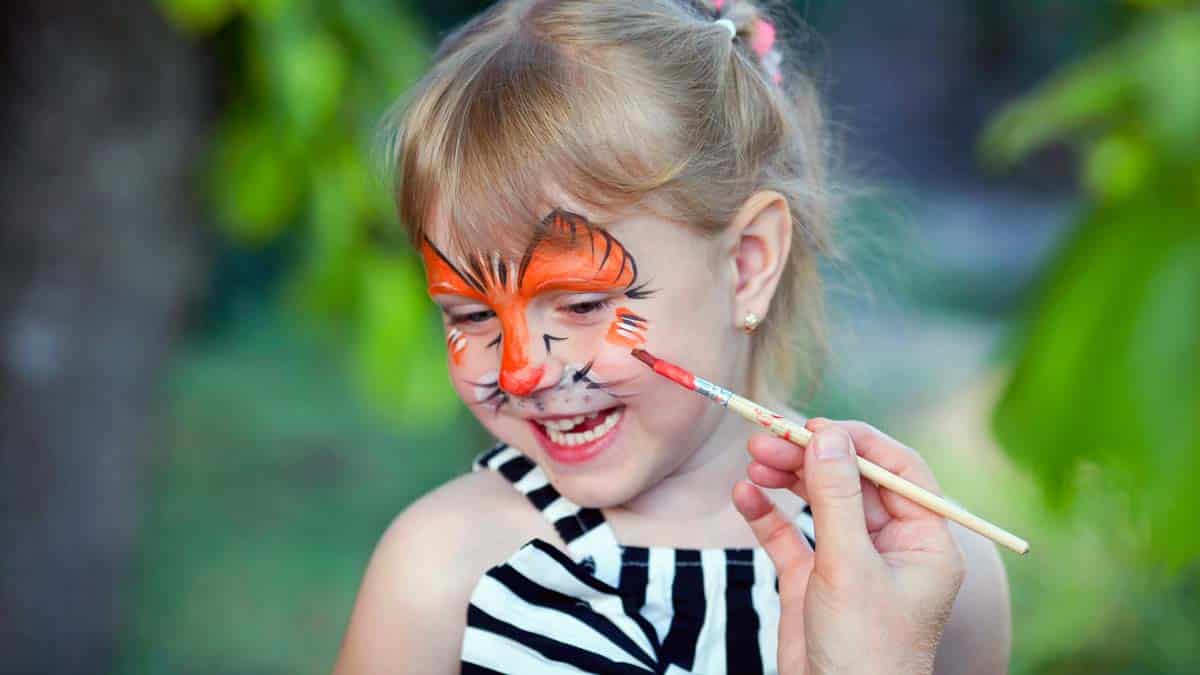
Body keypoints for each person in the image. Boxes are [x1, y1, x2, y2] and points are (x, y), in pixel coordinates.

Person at [334, 0, 1011, 672]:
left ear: (747, 264)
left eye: (579, 303)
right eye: (472, 315)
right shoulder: (438, 576)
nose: (519, 371)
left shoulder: (926, 582)